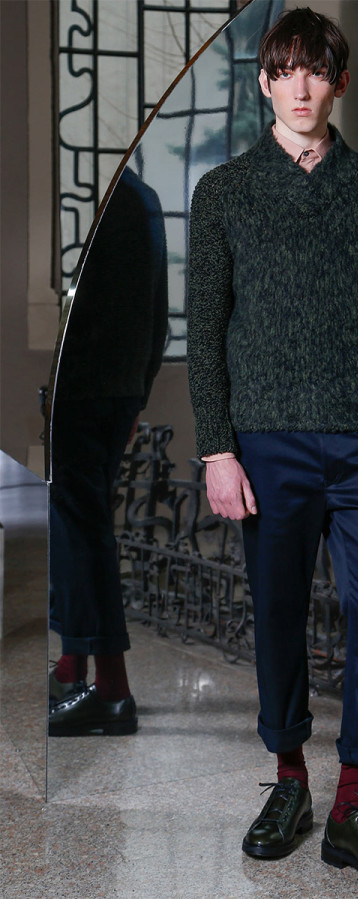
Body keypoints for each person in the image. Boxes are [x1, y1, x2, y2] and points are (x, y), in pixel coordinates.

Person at [187, 8, 358, 891]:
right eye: (285, 70)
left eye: (317, 71)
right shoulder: (224, 192)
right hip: (265, 440)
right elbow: (205, 332)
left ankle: (352, 806)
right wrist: (216, 449)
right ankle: (290, 780)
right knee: (279, 610)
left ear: (339, 83)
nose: (300, 87)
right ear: (264, 82)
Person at [48, 167, 168, 737]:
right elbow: (159, 313)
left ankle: (112, 690)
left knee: (81, 531)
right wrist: (137, 391)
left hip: (79, 385)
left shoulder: (88, 189)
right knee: (79, 527)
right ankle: (73, 667)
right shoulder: (141, 194)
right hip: (115, 387)